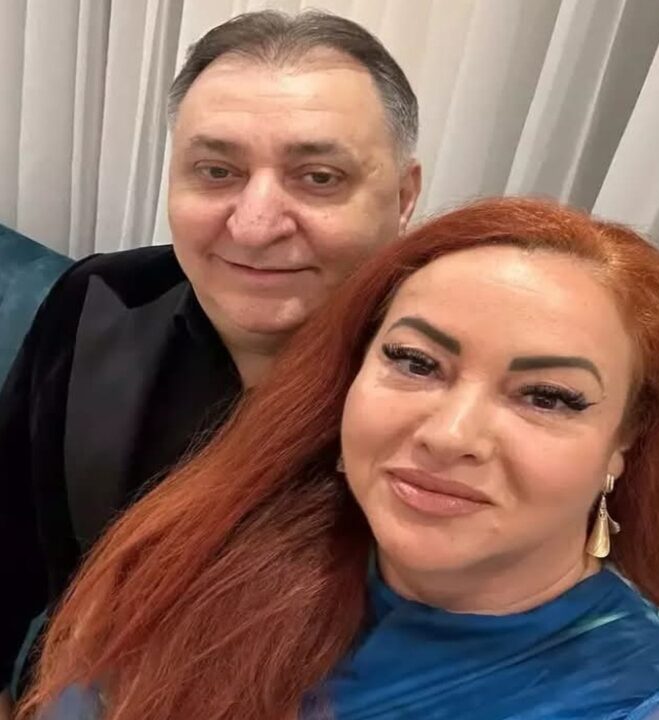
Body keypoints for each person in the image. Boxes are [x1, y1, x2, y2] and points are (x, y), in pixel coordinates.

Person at [19, 197, 659, 720]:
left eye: (547, 397)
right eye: (415, 361)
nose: (449, 434)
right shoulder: (208, 549)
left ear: (624, 442)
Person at [0, 8, 421, 713]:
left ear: (404, 198)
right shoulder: (101, 300)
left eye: (318, 178)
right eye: (217, 171)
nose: (254, 226)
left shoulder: (441, 386)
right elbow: (9, 540)